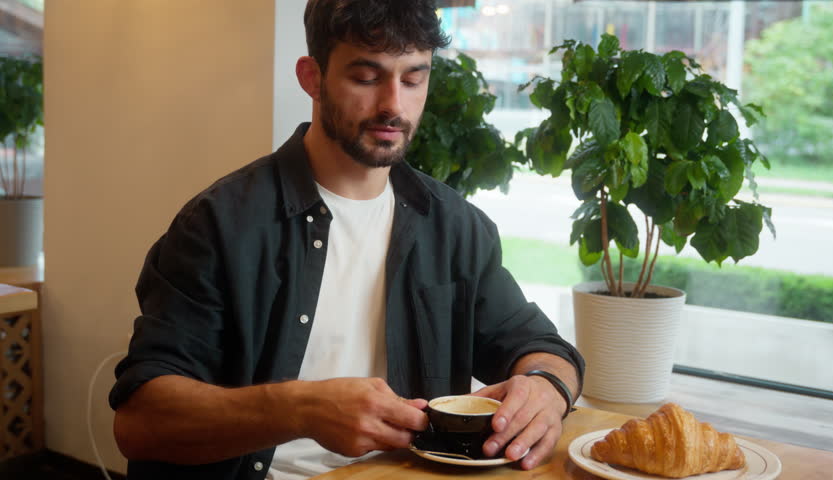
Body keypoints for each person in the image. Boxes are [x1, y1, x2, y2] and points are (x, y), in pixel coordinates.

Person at [109, 1, 585, 479]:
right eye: (366, 77)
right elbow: (142, 421)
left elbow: (542, 347)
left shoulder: (456, 228)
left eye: (414, 78)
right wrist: (300, 410)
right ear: (312, 77)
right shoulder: (218, 226)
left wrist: (546, 388)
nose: (394, 106)